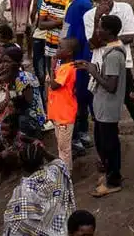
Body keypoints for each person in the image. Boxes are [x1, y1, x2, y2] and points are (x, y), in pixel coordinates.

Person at [76, 14, 126, 198]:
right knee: (105, 142)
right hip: (104, 106)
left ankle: (113, 181)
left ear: (109, 31)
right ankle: (110, 175)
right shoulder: (113, 50)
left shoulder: (113, 55)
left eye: (100, 27)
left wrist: (93, 72)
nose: (97, 31)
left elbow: (111, 86)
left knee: (109, 144)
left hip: (108, 107)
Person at [83, 0, 134, 123]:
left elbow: (132, 36)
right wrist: (97, 19)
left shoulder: (125, 8)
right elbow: (92, 45)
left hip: (122, 63)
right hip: (100, 64)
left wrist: (101, 41)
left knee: (132, 100)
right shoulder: (89, 15)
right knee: (103, 103)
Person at [2, 144, 75, 236]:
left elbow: (15, 225)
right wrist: (44, 152)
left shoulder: (22, 190)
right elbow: (58, 161)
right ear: (43, 159)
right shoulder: (55, 171)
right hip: (65, 229)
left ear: (21, 164)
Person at [60, 0, 94, 153]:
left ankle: (79, 134)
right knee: (77, 96)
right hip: (72, 55)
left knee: (78, 96)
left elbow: (82, 34)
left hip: (78, 57)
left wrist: (68, 54)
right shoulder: (72, 4)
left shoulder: (83, 4)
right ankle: (81, 133)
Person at [37, 0, 75, 111]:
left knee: (65, 82)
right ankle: (53, 111)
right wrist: (60, 21)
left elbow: (69, 24)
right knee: (51, 79)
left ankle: (66, 111)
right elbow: (41, 24)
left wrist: (52, 21)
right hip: (50, 49)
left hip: (66, 51)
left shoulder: (71, 1)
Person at [48, 38, 79, 171]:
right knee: (61, 147)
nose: (57, 50)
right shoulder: (63, 67)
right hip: (59, 113)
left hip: (64, 115)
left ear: (69, 53)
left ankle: (66, 174)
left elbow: (54, 85)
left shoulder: (68, 68)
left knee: (64, 148)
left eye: (60, 47)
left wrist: (51, 67)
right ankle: (64, 172)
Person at [31, 0, 55, 90]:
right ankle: (41, 96)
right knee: (38, 68)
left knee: (51, 68)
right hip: (38, 36)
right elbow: (35, 15)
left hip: (51, 37)